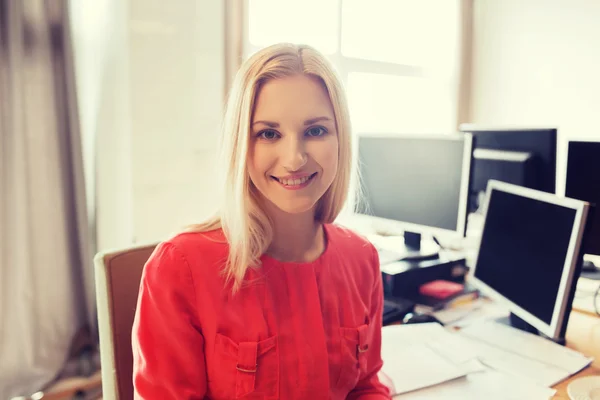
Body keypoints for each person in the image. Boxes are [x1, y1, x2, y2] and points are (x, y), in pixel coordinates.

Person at [132, 43, 391, 399]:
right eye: (269, 134)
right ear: (242, 144)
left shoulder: (362, 257)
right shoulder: (179, 269)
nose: (295, 158)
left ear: (340, 139)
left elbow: (366, 386)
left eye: (315, 131)